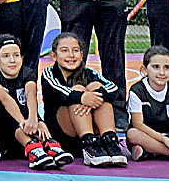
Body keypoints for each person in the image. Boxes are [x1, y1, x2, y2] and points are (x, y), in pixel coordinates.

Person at [41, 30, 129, 167]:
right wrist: (82, 97)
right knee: (78, 89)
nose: (71, 55)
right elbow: (60, 92)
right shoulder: (49, 74)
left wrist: (93, 97)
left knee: (96, 87)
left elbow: (113, 89)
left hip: (95, 135)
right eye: (64, 50)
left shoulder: (89, 73)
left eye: (75, 50)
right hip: (63, 135)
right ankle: (89, 145)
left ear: (82, 55)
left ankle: (110, 142)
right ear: (54, 55)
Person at [0, 33, 70, 169]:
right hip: (5, 130)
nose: (12, 60)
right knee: (12, 115)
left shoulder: (28, 73)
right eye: (6, 56)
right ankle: (34, 150)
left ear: (22, 58)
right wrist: (24, 123)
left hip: (27, 122)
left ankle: (50, 145)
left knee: (35, 116)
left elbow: (30, 93)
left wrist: (34, 120)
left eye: (16, 55)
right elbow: (6, 100)